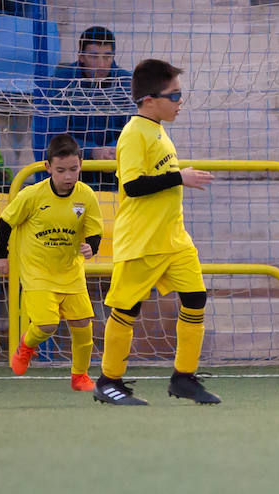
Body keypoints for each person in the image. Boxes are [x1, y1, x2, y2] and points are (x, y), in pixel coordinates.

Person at [93, 58, 219, 406]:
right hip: (142, 241)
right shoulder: (134, 133)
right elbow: (132, 186)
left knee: (195, 299)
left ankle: (183, 378)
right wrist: (181, 176)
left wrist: (179, 176)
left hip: (174, 239)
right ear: (149, 100)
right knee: (126, 309)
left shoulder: (159, 129)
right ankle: (108, 381)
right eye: (174, 96)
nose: (180, 102)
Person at [0, 134, 102, 391]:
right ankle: (27, 345)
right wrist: (0, 255)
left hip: (70, 271)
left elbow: (94, 229)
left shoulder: (86, 196)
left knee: (83, 325)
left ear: (81, 165)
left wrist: (92, 247)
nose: (68, 176)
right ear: (48, 167)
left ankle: (80, 377)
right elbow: (5, 223)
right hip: (37, 272)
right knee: (46, 325)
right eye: (61, 170)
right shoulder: (32, 195)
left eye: (73, 169)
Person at [34, 26, 133, 191]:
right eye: (94, 56)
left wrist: (114, 150)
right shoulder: (60, 82)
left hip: (116, 166)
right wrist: (92, 152)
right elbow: (55, 136)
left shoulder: (126, 83)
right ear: (81, 57)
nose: (101, 64)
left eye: (107, 57)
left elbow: (134, 129)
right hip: (71, 167)